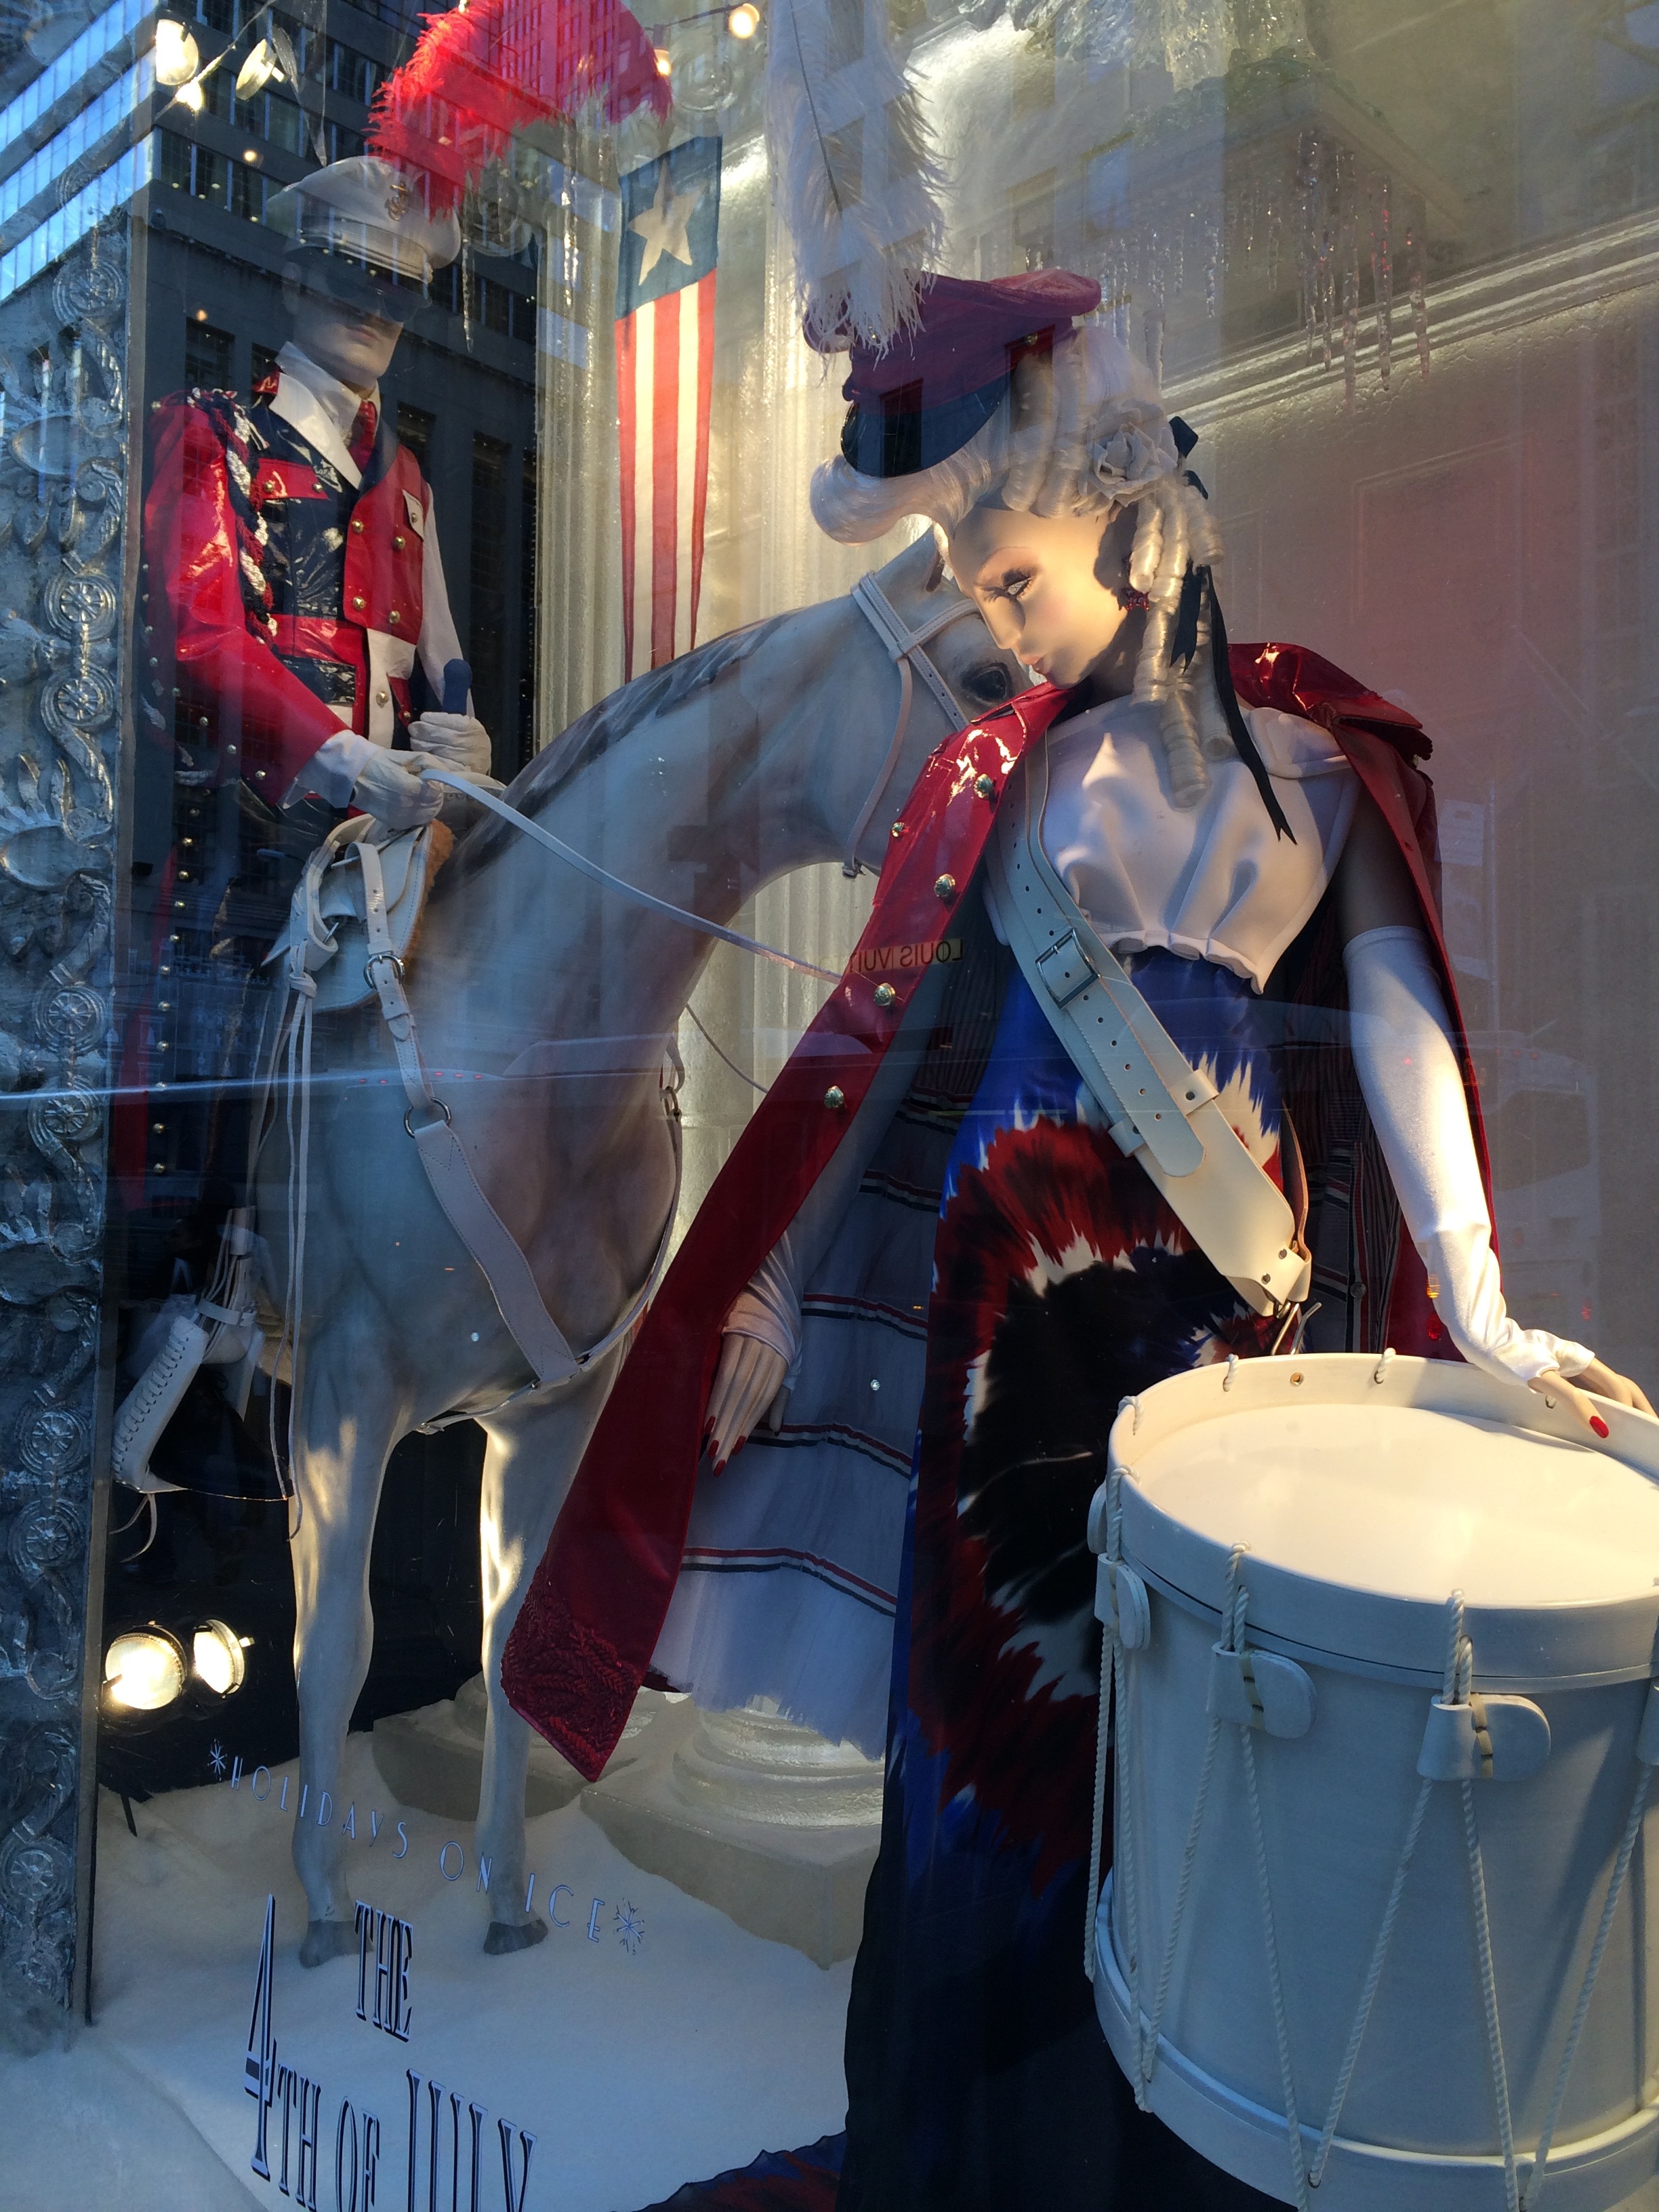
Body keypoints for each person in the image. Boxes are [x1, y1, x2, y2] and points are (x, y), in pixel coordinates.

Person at [501, 270, 1652, 2209]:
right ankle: (954, 2147)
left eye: (1000, 553)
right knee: (983, 1737)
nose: (979, 596)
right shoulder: (996, 778)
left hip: (1214, 1336)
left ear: (1127, 520)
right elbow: (883, 1042)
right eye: (958, 558)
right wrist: (769, 1279)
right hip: (998, 1313)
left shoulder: (1327, 764)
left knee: (1180, 1744)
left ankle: (1138, 2148)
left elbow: (1401, 1028)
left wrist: (1488, 1301)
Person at [117, 157, 494, 1494]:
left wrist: (461, 736)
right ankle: (199, 1310)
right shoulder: (213, 433)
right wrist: (339, 756)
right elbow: (200, 640)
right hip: (265, 848)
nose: (380, 307)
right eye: (359, 277)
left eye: (404, 287)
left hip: (400, 856)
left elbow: (444, 664)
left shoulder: (411, 492)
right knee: (215, 1081)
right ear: (298, 276)